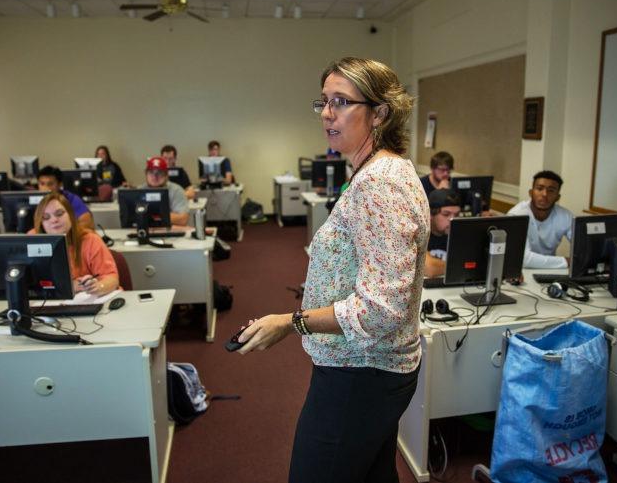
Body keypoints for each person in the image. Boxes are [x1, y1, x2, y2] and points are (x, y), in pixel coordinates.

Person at [236, 57, 429, 483]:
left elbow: (379, 310)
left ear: (379, 112)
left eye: (341, 102)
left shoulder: (381, 183)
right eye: (323, 101)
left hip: (360, 374)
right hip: (367, 369)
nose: (327, 113)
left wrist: (292, 322)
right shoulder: (370, 172)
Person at [31, 192, 119, 296]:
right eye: (46, 217)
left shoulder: (90, 240)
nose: (54, 220)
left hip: (89, 300)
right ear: (41, 223)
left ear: (71, 215)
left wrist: (97, 286)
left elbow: (112, 278)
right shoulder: (32, 240)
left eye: (59, 214)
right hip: (51, 304)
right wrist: (68, 286)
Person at [507, 170, 573, 268]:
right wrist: (567, 261)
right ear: (531, 193)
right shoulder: (516, 215)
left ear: (557, 197)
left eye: (551, 190)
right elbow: (524, 259)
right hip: (520, 272)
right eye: (539, 188)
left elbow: (582, 245)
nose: (544, 194)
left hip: (551, 270)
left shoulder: (565, 215)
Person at [37, 165, 95, 231]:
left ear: (60, 184)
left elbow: (86, 223)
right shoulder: (32, 200)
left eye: (50, 184)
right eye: (42, 184)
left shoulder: (71, 199)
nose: (46, 188)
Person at [140, 156, 190, 227]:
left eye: (159, 172)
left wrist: (150, 215)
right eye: (151, 172)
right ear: (146, 174)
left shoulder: (176, 190)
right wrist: (164, 216)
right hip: (144, 231)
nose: (155, 176)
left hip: (171, 233)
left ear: (166, 175)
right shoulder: (139, 191)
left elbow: (183, 219)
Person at [424, 189, 462, 278]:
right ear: (430, 214)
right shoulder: (422, 234)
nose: (452, 220)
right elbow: (430, 268)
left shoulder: (460, 234)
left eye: (456, 215)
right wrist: (460, 266)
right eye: (446, 214)